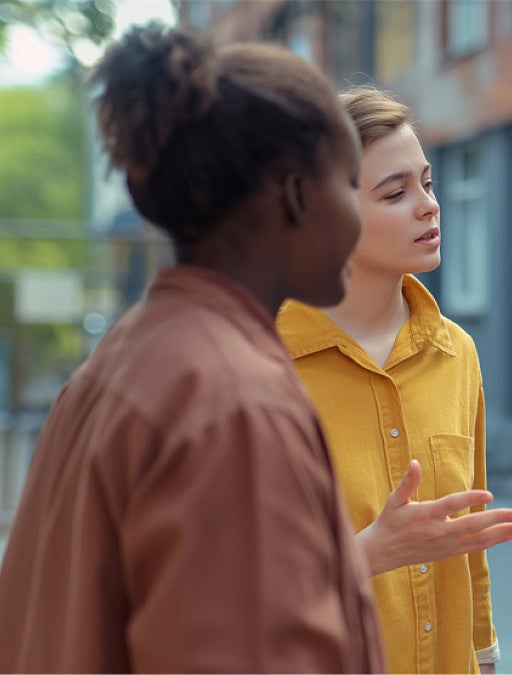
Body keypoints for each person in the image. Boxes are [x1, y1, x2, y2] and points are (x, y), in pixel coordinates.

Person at [0, 23, 383, 672]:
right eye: (352, 183)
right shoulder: (235, 405)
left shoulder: (123, 360)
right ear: (296, 193)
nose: (361, 215)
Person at [276, 85, 512, 675]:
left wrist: (485, 661)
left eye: (428, 183)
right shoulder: (256, 367)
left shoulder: (455, 353)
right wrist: (365, 555)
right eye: (396, 192)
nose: (429, 205)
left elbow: (469, 550)